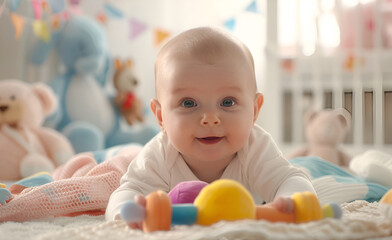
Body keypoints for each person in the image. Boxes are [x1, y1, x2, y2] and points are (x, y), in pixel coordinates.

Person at [105, 27, 316, 228]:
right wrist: (130, 213)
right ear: (161, 116)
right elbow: (128, 191)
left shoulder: (255, 146)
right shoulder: (159, 153)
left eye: (228, 102)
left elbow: (289, 179)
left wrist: (289, 202)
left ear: (254, 110)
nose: (210, 119)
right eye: (188, 103)